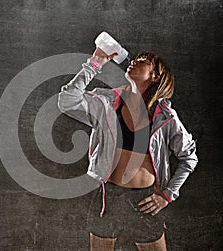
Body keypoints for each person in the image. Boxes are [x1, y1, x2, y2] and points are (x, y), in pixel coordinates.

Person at [58, 47, 198, 250]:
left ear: (156, 77)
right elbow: (67, 101)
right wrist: (95, 63)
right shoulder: (106, 102)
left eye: (143, 61)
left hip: (145, 201)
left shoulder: (166, 117)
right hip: (108, 197)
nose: (134, 60)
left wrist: (167, 195)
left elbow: (189, 158)